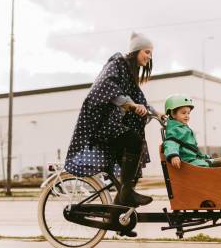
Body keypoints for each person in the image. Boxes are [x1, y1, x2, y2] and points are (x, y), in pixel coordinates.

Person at [64, 32, 164, 236]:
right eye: (147, 52)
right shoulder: (116, 63)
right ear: (136, 50)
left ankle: (118, 221)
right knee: (134, 142)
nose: (149, 57)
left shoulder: (129, 73)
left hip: (113, 125)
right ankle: (126, 195)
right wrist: (130, 105)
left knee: (132, 169)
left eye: (151, 53)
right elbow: (106, 88)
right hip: (100, 124)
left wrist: (158, 114)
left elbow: (139, 99)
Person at [163, 94, 221, 169]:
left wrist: (205, 157)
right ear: (173, 114)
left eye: (188, 113)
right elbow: (170, 143)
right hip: (189, 162)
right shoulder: (175, 130)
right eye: (183, 113)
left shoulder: (183, 128)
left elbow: (193, 149)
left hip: (195, 159)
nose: (187, 115)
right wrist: (173, 155)